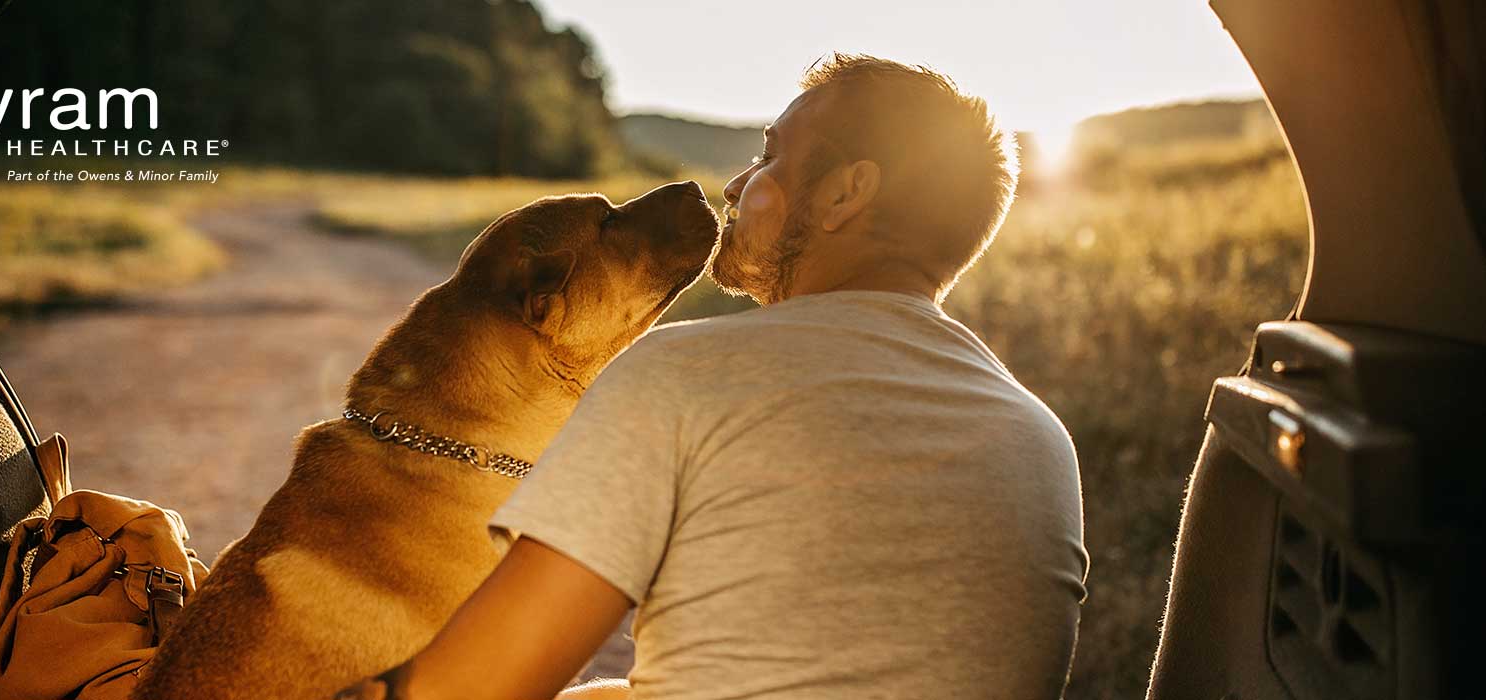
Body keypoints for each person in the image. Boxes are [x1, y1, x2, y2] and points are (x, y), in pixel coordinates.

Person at [343, 53, 1088, 700]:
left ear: (842, 194)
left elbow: (461, 691)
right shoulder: (1041, 438)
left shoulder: (684, 376)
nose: (737, 184)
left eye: (769, 158)